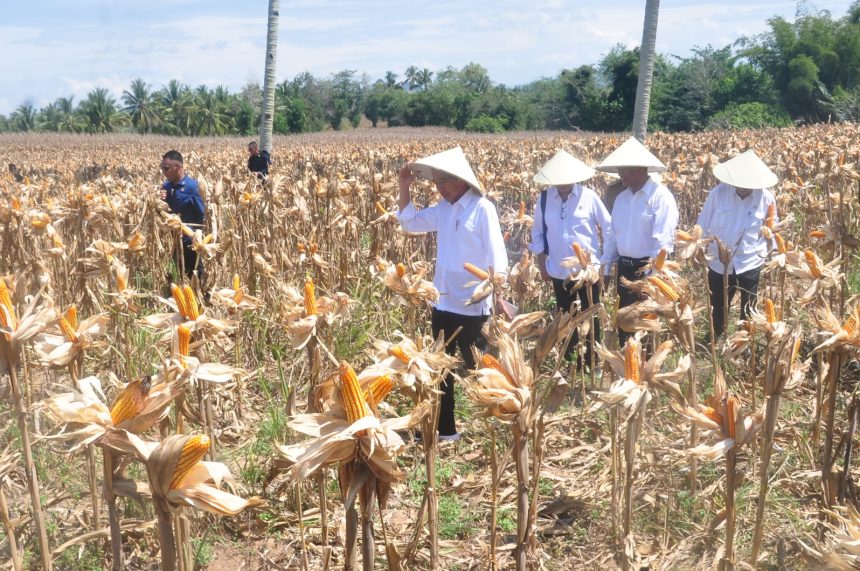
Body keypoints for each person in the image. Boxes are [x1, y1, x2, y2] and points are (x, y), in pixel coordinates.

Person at [397, 146, 508, 441]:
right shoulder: (444, 209)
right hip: (442, 301)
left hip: (473, 306)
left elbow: (498, 255)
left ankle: (499, 429)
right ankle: (445, 429)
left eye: (444, 182)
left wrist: (498, 294)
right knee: (439, 370)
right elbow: (410, 223)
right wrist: (404, 186)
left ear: (461, 180)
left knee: (480, 371)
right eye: (436, 183)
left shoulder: (483, 209)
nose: (439, 188)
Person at [530, 149, 610, 368]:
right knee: (565, 318)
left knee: (590, 316)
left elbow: (608, 226)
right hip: (558, 270)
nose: (563, 183)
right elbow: (537, 233)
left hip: (586, 272)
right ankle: (570, 361)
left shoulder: (589, 196)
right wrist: (541, 264)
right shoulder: (545, 199)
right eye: (558, 179)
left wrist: (603, 261)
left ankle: (592, 363)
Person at [597, 137, 679, 346]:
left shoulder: (660, 197)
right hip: (624, 269)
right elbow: (613, 237)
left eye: (627, 170)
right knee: (624, 319)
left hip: (648, 269)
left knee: (645, 322)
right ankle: (626, 357)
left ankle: (646, 362)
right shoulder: (621, 199)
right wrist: (606, 270)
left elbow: (662, 243)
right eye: (620, 170)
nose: (622, 175)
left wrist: (651, 279)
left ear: (642, 169)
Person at [697, 150, 778, 338]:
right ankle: (716, 335)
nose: (742, 187)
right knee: (718, 303)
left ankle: (743, 341)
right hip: (718, 261)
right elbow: (702, 223)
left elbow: (770, 229)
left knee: (749, 306)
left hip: (750, 260)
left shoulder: (766, 198)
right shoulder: (718, 194)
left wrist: (773, 255)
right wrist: (698, 249)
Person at [159, 150, 207, 286]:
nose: (164, 171)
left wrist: (198, 235)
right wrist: (159, 202)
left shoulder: (192, 187)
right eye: (162, 168)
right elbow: (162, 214)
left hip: (189, 241)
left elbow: (202, 213)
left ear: (178, 167)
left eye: (166, 168)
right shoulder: (166, 187)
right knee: (172, 277)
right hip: (171, 242)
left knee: (195, 275)